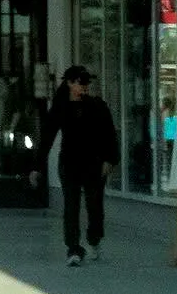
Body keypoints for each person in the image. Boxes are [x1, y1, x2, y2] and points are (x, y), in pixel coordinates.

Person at [32, 65, 120, 266]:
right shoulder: (60, 107)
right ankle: (73, 248)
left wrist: (110, 159)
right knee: (71, 206)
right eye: (81, 82)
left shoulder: (97, 106)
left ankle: (94, 238)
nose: (85, 86)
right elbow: (47, 137)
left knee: (94, 205)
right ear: (70, 83)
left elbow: (109, 134)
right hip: (70, 163)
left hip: (94, 163)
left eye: (87, 82)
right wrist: (37, 166)